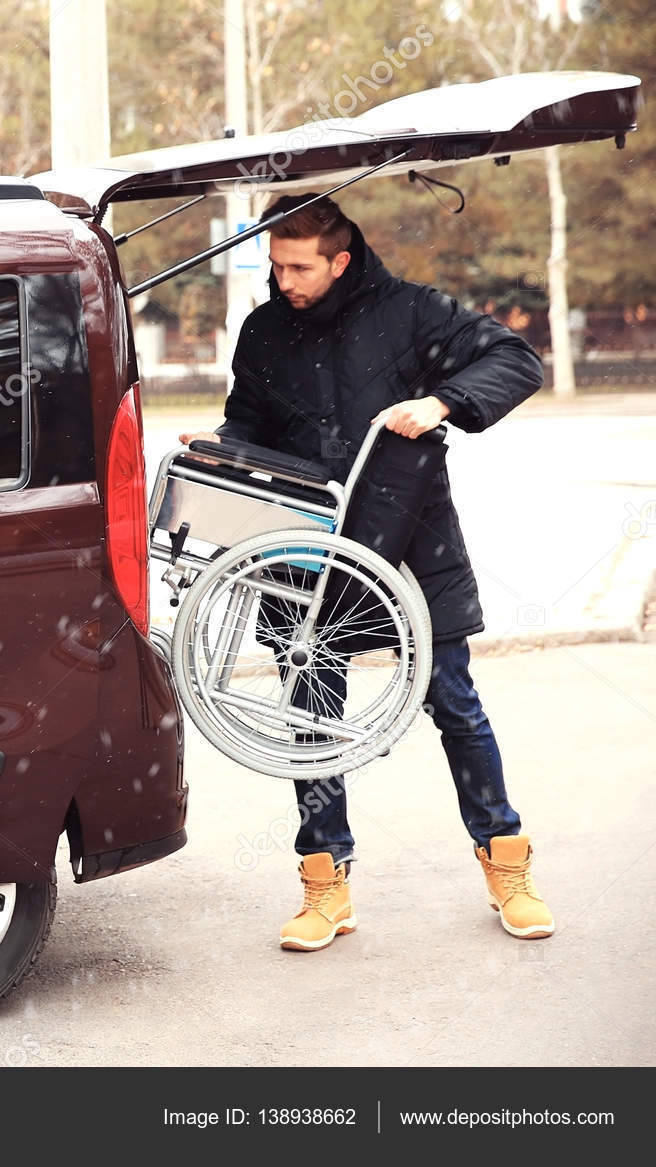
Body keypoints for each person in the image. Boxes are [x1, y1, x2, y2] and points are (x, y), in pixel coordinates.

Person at [179, 193, 554, 950]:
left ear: (340, 259)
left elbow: (516, 360)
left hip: (412, 541)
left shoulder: (413, 311)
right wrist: (221, 450)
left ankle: (507, 864)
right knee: (310, 718)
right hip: (303, 549)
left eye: (299, 267)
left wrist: (443, 402)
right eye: (276, 266)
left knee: (454, 703)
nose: (284, 280)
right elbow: (248, 421)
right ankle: (326, 884)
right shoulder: (263, 329)